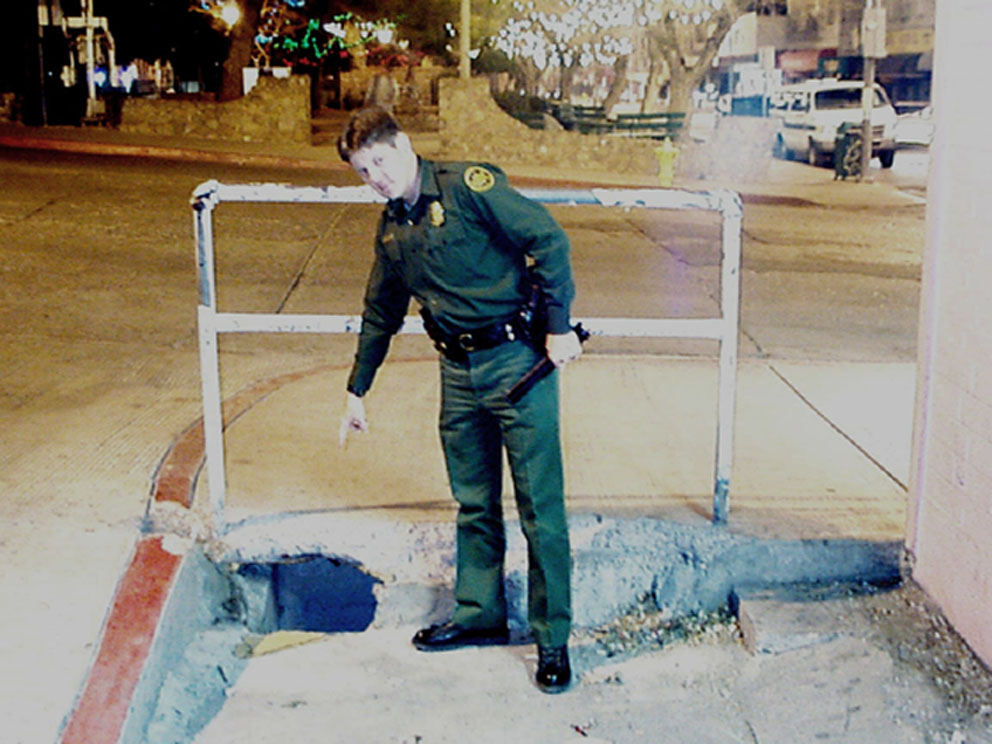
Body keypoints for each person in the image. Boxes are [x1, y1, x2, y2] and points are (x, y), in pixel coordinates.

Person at [337, 106, 582, 693]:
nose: (376, 177)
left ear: (403, 145)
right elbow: (381, 310)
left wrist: (558, 325)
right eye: (362, 171)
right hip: (458, 370)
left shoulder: (469, 188)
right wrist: (357, 386)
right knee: (473, 501)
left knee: (540, 509)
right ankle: (479, 616)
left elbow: (547, 239)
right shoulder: (394, 227)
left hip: (520, 363)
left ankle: (552, 639)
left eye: (379, 161)